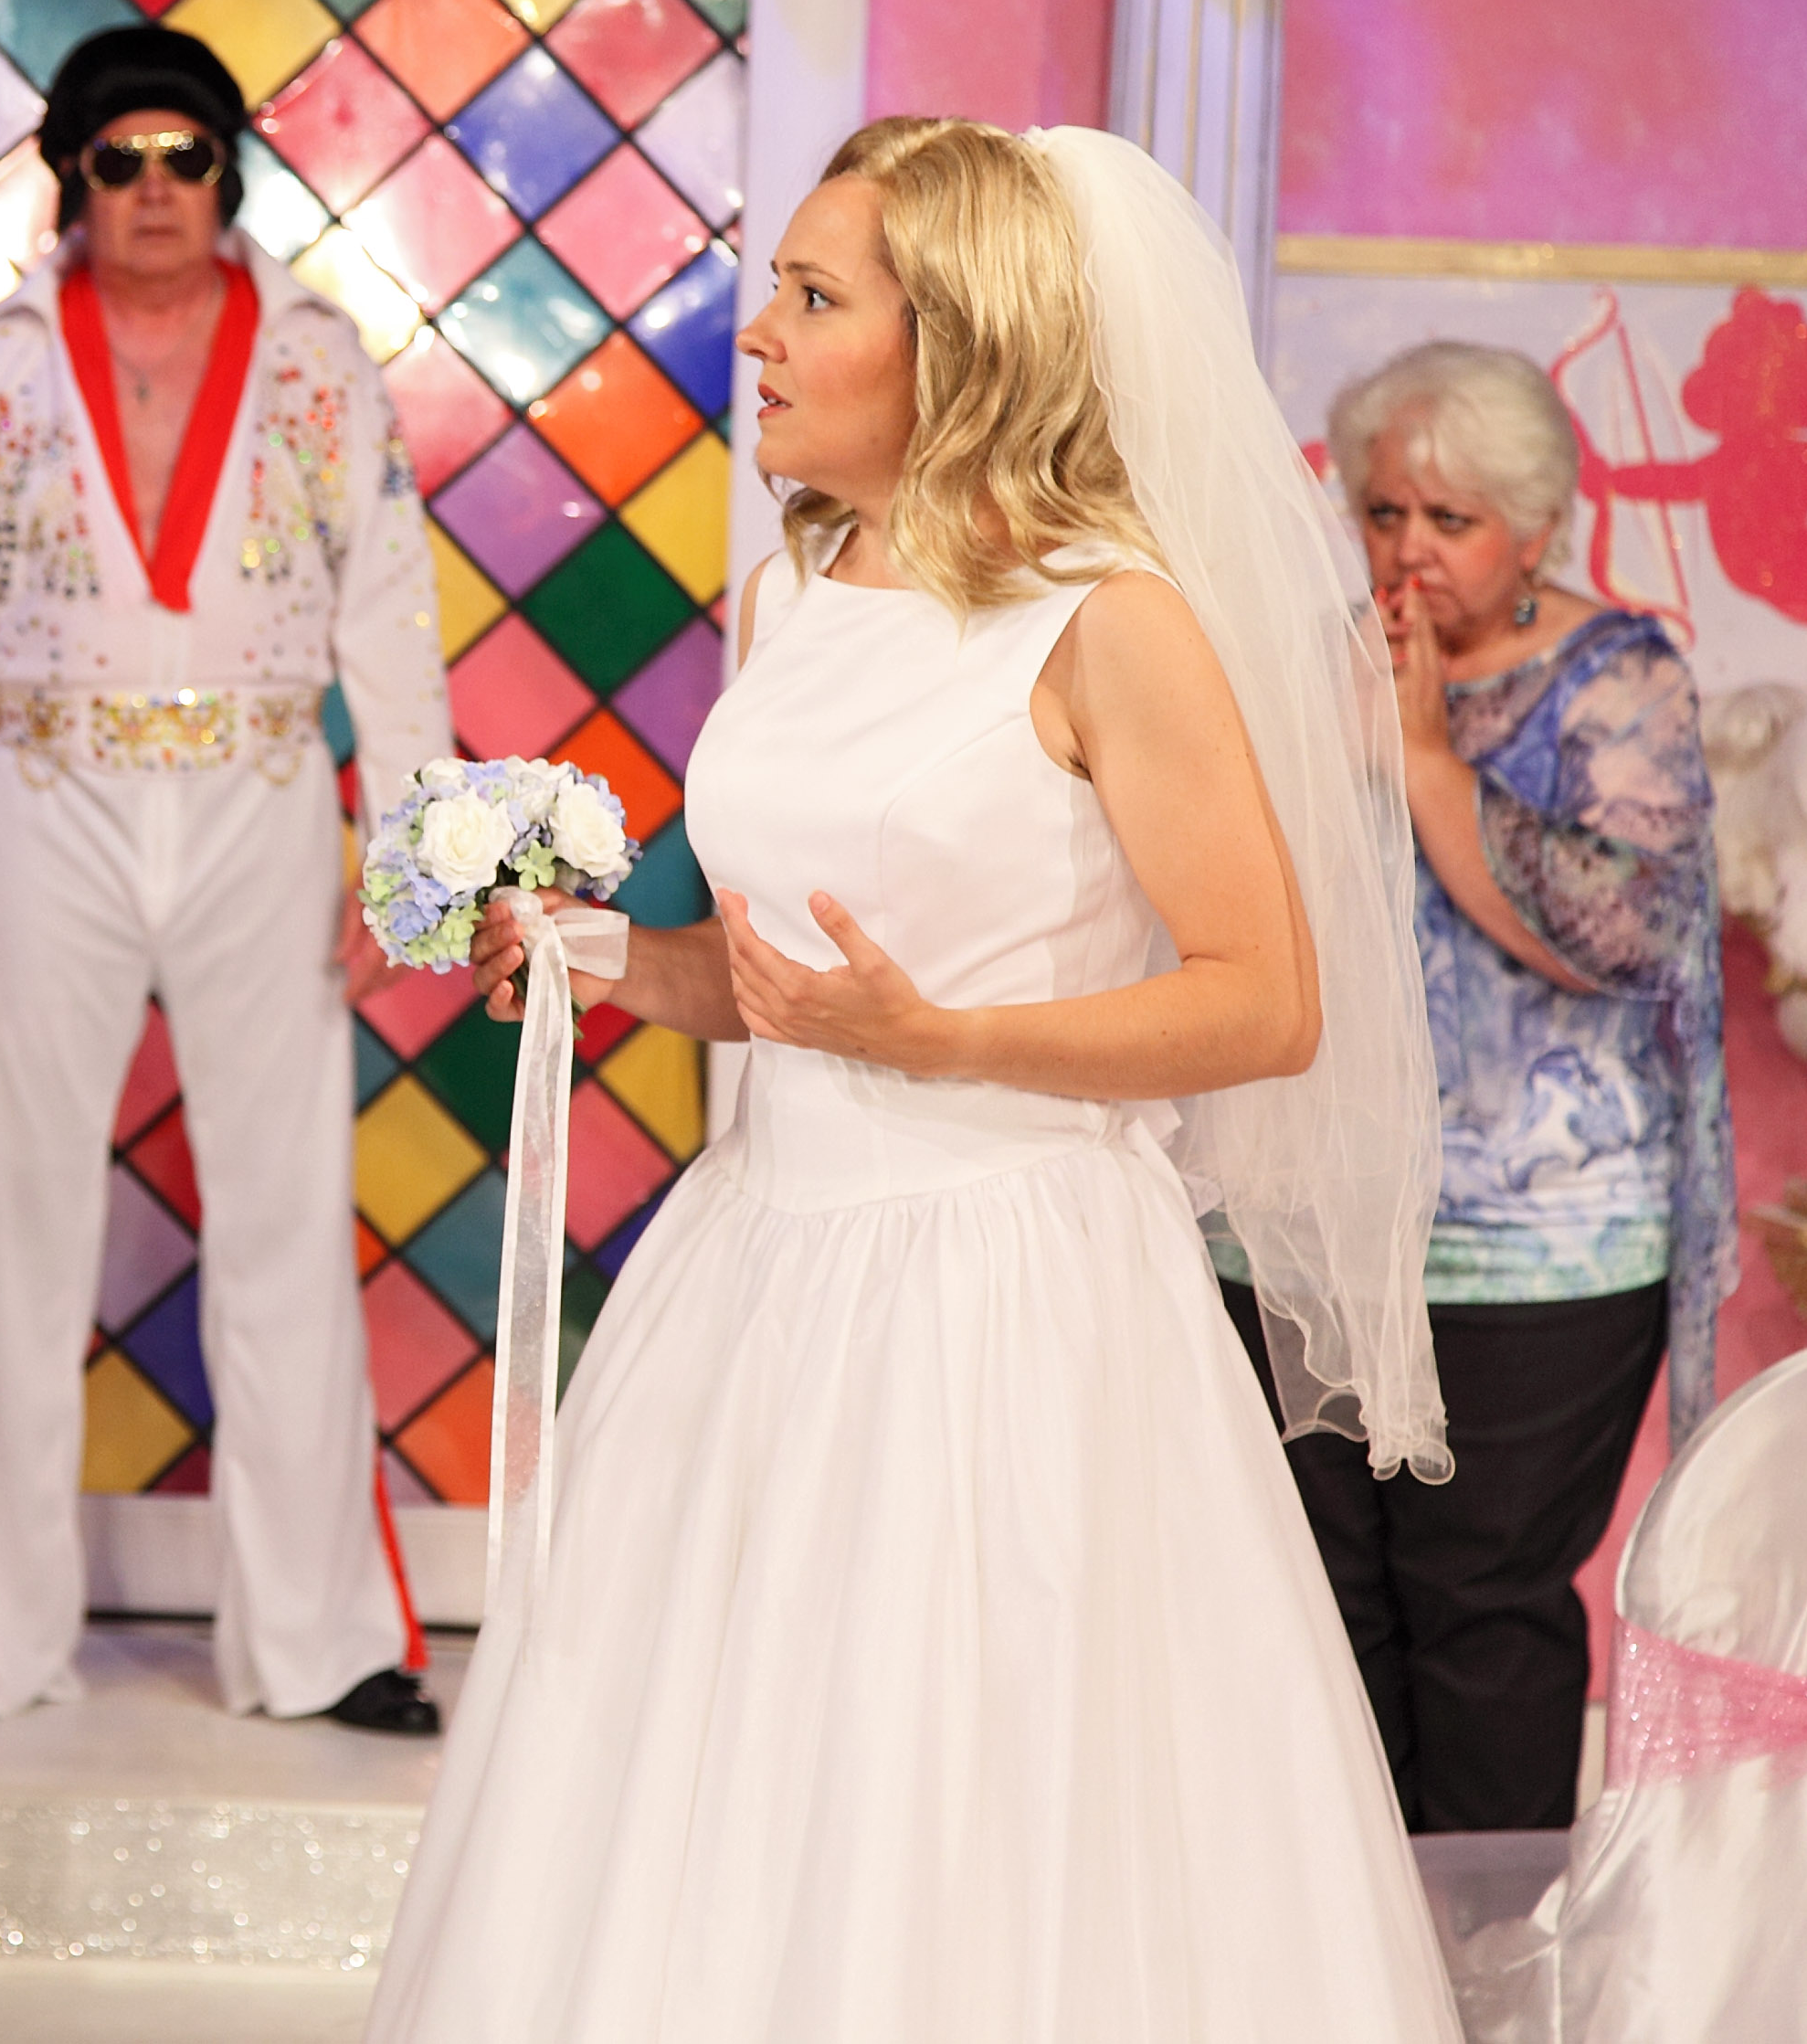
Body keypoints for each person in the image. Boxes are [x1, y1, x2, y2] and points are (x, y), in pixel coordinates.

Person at [364, 119, 1463, 2039]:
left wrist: (946, 1040)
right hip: (757, 1274)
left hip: (1007, 1295)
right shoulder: (795, 591)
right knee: (710, 1783)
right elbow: (779, 985)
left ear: (951, 342)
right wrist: (590, 955)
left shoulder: (1110, 621)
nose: (759, 336)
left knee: (970, 1783)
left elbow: (1263, 1001)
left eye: (812, 296)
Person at [0, 26, 452, 1732]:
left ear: (229, 173)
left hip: (265, 792)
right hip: (48, 790)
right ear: (71, 179)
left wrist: (410, 865)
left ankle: (325, 1639)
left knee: (288, 1215)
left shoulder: (320, 357)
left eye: (186, 156)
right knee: (12, 1209)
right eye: (119, 160)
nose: (155, 189)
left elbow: (391, 615)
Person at [1214, 340, 1734, 1833]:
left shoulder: (1619, 676)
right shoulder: (1316, 659)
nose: (1407, 551)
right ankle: (1354, 1938)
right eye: (1382, 513)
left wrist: (1423, 760)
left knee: (1481, 1603)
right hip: (1307, 1226)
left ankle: (1494, 1942)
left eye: (1449, 520)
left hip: (1539, 1249)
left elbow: (1624, 936)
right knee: (1318, 1601)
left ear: (1537, 528)